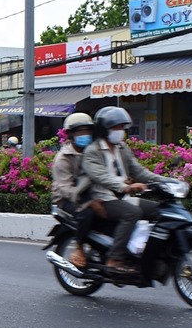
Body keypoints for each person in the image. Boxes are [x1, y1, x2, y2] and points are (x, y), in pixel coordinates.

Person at [82, 106, 166, 274]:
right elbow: (103, 177)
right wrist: (126, 187)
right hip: (104, 198)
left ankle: (143, 251)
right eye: (116, 127)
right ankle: (115, 258)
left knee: (160, 211)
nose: (120, 131)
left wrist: (166, 181)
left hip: (123, 197)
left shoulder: (122, 148)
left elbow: (139, 171)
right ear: (104, 129)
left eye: (122, 127)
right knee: (132, 213)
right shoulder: (92, 152)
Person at [50, 113, 103, 268]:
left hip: (92, 194)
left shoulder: (93, 152)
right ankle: (79, 247)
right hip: (67, 199)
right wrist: (88, 202)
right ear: (71, 135)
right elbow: (65, 188)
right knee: (87, 213)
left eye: (87, 131)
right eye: (79, 132)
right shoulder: (63, 158)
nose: (84, 135)